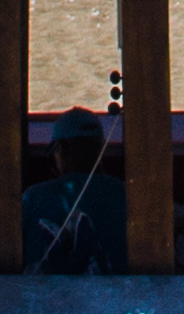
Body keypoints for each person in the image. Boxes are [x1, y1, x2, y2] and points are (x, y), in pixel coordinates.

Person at [18, 109, 128, 277]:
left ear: (61, 149)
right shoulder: (130, 196)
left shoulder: (33, 197)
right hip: (121, 300)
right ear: (101, 147)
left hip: (45, 300)